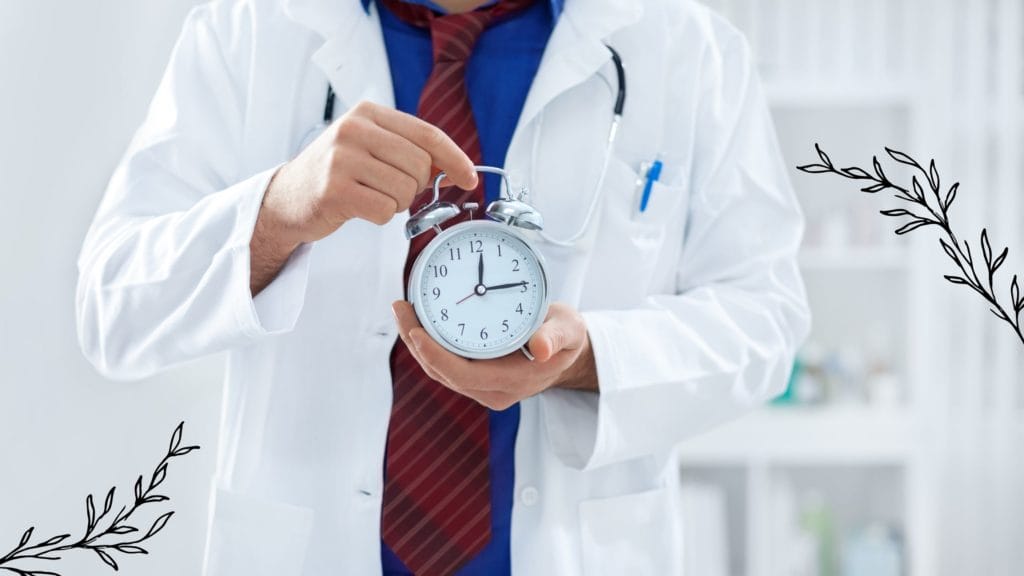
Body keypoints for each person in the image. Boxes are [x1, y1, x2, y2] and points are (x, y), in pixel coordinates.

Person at [76, 0, 810, 573]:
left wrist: (592, 357)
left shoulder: (689, 48)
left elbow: (766, 316)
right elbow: (112, 307)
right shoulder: (247, 32)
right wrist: (275, 211)